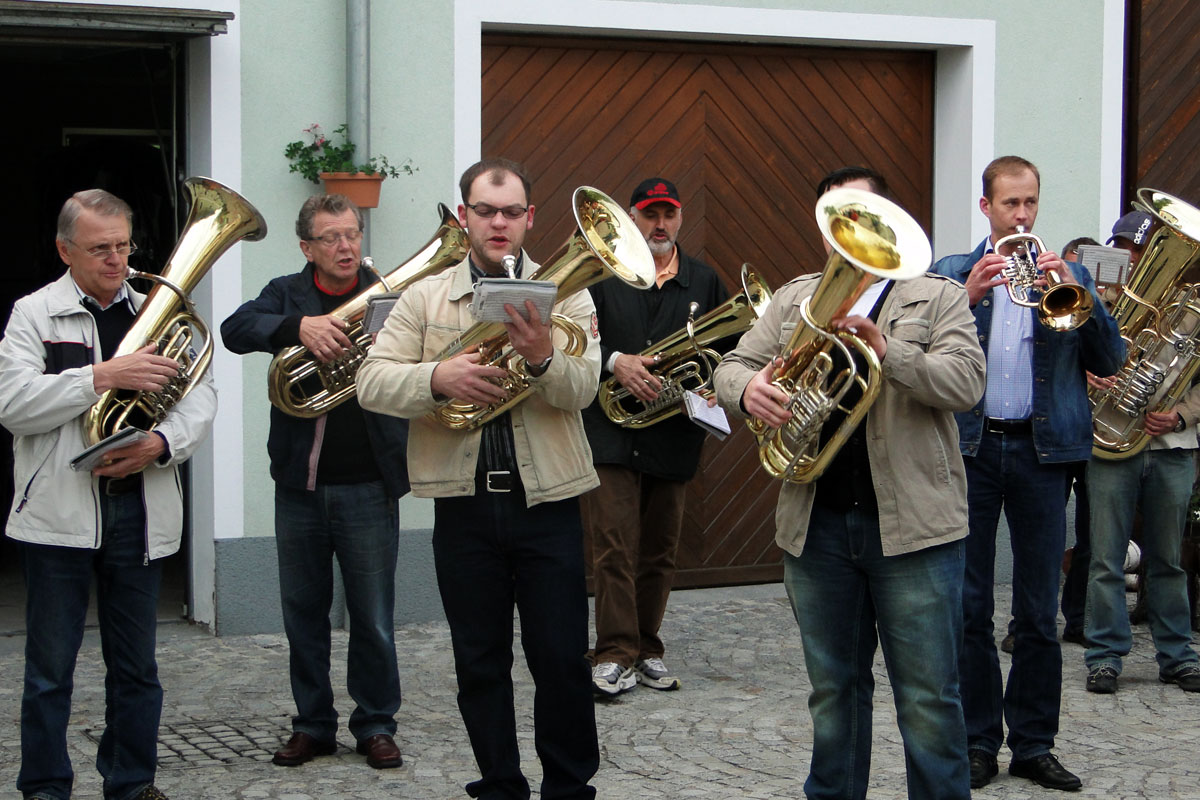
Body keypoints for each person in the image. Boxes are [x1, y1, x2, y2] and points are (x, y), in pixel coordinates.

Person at [713, 166, 986, 800]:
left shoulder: (937, 296)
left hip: (916, 532)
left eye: (862, 213)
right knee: (834, 693)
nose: (850, 228)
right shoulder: (795, 299)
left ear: (886, 219)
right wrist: (747, 389)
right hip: (819, 528)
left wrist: (888, 351)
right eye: (837, 216)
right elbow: (733, 365)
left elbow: (966, 385)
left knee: (929, 701)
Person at [356, 158, 601, 799]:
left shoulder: (566, 292)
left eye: (511, 211)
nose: (499, 222)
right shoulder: (425, 296)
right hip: (464, 506)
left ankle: (570, 788)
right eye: (486, 210)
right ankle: (499, 783)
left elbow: (583, 391)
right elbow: (370, 381)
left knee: (560, 659)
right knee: (479, 662)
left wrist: (543, 355)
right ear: (464, 215)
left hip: (547, 502)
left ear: (529, 219)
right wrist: (437, 378)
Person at [0, 189, 217, 800]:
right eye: (100, 249)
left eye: (123, 246)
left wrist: (162, 443)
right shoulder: (34, 314)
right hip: (58, 516)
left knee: (137, 669)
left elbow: (201, 397)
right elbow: (12, 405)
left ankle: (131, 782)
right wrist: (101, 377)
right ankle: (45, 786)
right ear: (65, 250)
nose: (117, 260)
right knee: (49, 671)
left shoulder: (160, 310)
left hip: (139, 508)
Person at [930, 155, 1125, 792]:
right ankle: (979, 741)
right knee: (970, 607)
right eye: (1010, 204)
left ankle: (1035, 744)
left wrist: (1082, 294)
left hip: (1045, 458)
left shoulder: (1063, 278)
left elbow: (1110, 358)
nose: (1022, 216)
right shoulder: (954, 273)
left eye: (1030, 204)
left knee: (1039, 612)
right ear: (985, 207)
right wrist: (969, 298)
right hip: (972, 451)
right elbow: (914, 347)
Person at [219, 194, 409, 770]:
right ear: (307, 247)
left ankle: (375, 724)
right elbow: (235, 329)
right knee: (303, 613)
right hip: (298, 486)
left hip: (370, 482)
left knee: (373, 617)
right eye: (331, 237)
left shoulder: (389, 291)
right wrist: (297, 327)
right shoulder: (286, 293)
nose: (346, 246)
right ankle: (312, 725)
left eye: (351, 234)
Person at [581, 177, 729, 696]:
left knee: (661, 550)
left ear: (681, 217)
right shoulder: (600, 276)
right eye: (648, 214)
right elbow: (570, 340)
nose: (659, 224)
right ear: (631, 217)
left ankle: (646, 647)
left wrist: (716, 389)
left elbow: (729, 353)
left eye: (667, 214)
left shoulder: (705, 282)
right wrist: (614, 361)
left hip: (673, 433)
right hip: (610, 433)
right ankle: (614, 651)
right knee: (614, 546)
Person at [1081, 209, 1200, 695]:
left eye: (1143, 247)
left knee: (1168, 558)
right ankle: (1105, 655)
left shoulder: (1193, 307)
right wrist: (1087, 372)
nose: (1135, 256)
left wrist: (1182, 415)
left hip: (1172, 443)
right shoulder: (1100, 302)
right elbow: (1071, 355)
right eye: (1128, 247)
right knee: (1105, 557)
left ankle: (1177, 654)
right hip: (1110, 441)